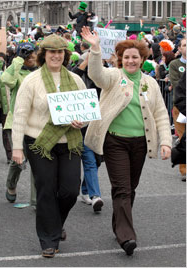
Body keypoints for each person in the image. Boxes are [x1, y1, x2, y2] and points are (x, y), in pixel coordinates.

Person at [81, 26, 172, 256]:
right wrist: (95, 48)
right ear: (121, 59)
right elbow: (96, 74)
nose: (131, 61)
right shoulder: (113, 76)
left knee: (130, 188)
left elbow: (161, 114)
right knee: (121, 188)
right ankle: (127, 236)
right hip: (115, 142)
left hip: (140, 143)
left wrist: (165, 142)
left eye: (135, 57)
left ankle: (118, 224)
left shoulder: (150, 83)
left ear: (143, 59)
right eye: (127, 57)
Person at [11, 34, 86, 258]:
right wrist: (16, 147)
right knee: (46, 190)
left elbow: (88, 110)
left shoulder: (76, 79)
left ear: (65, 54)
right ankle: (48, 239)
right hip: (39, 142)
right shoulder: (31, 81)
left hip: (69, 142)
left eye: (60, 51)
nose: (56, 55)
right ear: (44, 55)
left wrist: (83, 120)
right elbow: (19, 115)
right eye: (52, 52)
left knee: (70, 191)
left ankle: (54, 224)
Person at [1, 42, 38, 205]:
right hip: (16, 122)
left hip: (37, 123)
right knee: (19, 160)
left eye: (33, 56)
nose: (32, 59)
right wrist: (17, 60)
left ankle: (37, 200)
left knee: (38, 161)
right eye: (28, 57)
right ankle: (11, 185)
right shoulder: (17, 72)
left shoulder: (40, 72)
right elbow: (6, 80)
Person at [71, 52, 104, 212]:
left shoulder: (99, 78)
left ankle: (85, 191)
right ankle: (95, 196)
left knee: (96, 161)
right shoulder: (75, 75)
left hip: (96, 126)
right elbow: (73, 74)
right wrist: (88, 58)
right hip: (78, 127)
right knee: (90, 161)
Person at [169, 38, 186, 177]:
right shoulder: (175, 64)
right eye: (184, 45)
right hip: (181, 105)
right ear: (179, 49)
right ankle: (184, 168)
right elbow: (176, 82)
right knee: (182, 137)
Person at [0, 54, 12, 163]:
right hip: (3, 102)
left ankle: (11, 156)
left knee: (7, 130)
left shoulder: (2, 64)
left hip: (5, 103)